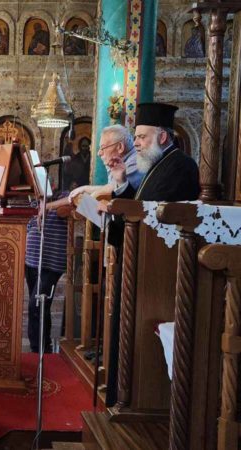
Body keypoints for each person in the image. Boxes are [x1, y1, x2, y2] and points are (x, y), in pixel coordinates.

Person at [103, 103, 200, 406]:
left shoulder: (180, 166)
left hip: (155, 267)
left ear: (162, 137)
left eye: (142, 137)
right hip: (137, 260)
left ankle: (131, 400)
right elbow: (139, 206)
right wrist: (120, 181)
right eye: (136, 137)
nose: (137, 144)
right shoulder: (155, 166)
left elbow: (154, 217)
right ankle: (120, 397)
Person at [25, 192, 69, 354]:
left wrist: (48, 206)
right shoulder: (34, 202)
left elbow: (72, 203)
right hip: (31, 262)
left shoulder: (63, 195)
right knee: (40, 307)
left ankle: (39, 350)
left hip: (50, 264)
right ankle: (42, 346)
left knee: (36, 305)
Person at [68, 124, 143, 203]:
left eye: (103, 148)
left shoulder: (137, 161)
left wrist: (87, 197)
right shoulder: (121, 161)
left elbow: (112, 190)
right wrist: (84, 189)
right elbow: (114, 186)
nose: (99, 153)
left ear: (120, 147)